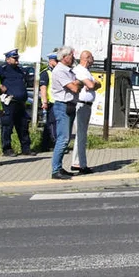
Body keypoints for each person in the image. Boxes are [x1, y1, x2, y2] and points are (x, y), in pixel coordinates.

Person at [49, 46, 83, 180]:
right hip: (62, 106)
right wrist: (78, 83)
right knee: (62, 139)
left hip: (69, 105)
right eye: (71, 55)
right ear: (64, 57)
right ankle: (55, 170)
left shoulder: (69, 70)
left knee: (66, 138)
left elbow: (77, 85)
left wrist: (77, 83)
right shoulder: (60, 71)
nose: (73, 57)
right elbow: (75, 88)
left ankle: (59, 167)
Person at [0, 49, 33, 156]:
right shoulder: (2, 69)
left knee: (23, 126)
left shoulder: (20, 70)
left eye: (18, 58)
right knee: (7, 127)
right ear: (8, 59)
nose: (17, 60)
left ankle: (26, 148)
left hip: (20, 103)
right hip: (9, 103)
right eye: (15, 58)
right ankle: (7, 149)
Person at [70, 50, 98, 174]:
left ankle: (78, 162)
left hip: (87, 105)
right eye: (92, 57)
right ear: (87, 58)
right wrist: (93, 84)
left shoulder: (86, 71)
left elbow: (96, 84)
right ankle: (80, 164)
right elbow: (91, 85)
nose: (93, 60)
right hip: (81, 105)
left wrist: (95, 83)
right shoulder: (80, 70)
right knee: (81, 135)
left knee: (82, 135)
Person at [38, 53, 58, 150]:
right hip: (51, 102)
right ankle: (54, 143)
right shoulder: (45, 73)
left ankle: (46, 145)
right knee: (52, 124)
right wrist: (44, 102)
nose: (58, 63)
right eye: (56, 61)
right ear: (50, 61)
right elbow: (43, 89)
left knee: (52, 124)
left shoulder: (58, 72)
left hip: (58, 101)